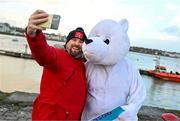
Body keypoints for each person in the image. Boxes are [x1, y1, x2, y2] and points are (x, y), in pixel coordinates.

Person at [25, 10, 87, 120]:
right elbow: (42, 52)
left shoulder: (84, 65)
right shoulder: (57, 56)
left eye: (81, 41)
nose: (77, 44)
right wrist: (33, 35)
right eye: (74, 39)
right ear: (67, 42)